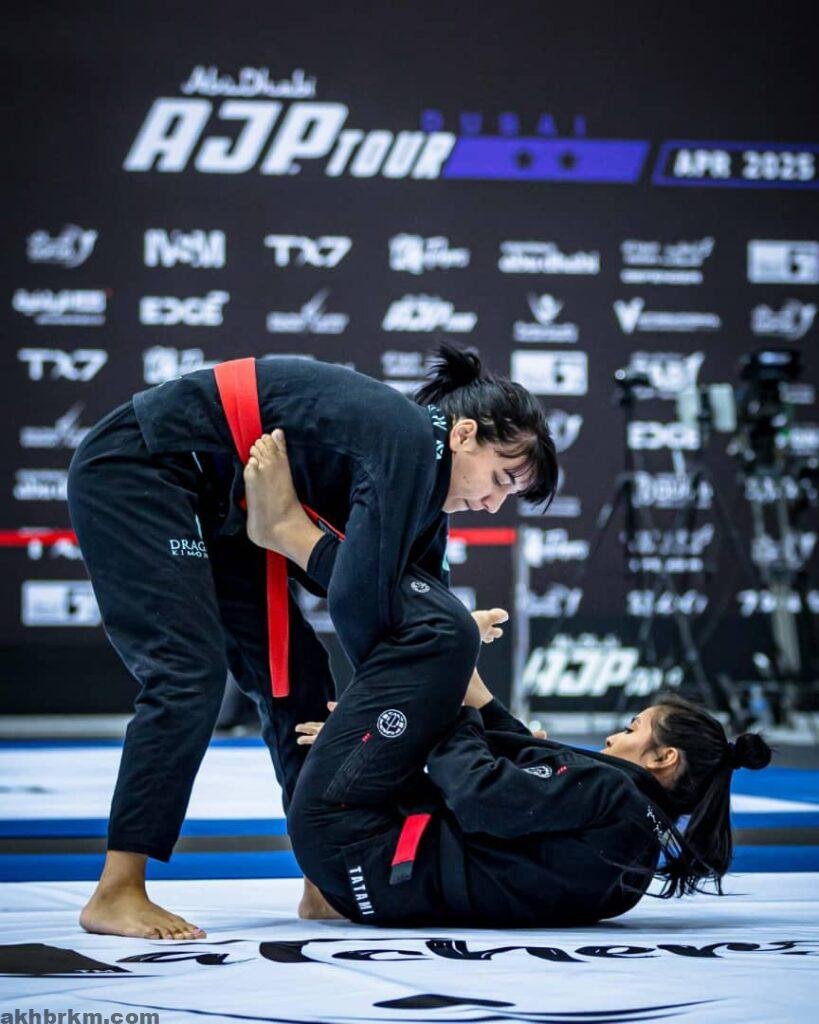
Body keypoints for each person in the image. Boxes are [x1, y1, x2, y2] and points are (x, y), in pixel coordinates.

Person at [66, 345, 557, 939]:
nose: (493, 503)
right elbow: (361, 601)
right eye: (501, 478)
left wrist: (502, 730)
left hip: (228, 511)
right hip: (143, 466)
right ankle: (116, 890)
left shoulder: (427, 503)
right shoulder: (408, 437)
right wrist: (373, 707)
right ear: (464, 435)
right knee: (187, 675)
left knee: (298, 687)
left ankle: (323, 883)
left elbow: (428, 653)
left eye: (509, 496)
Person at [245, 430, 772, 926]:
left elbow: (477, 792)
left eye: (635, 729)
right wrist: (427, 709)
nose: (616, 735)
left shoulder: (612, 794)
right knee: (418, 667)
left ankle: (289, 532)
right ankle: (319, 890)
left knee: (443, 627)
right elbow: (512, 775)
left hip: (346, 834)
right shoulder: (631, 859)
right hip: (366, 885)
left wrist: (429, 707)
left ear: (664, 758)